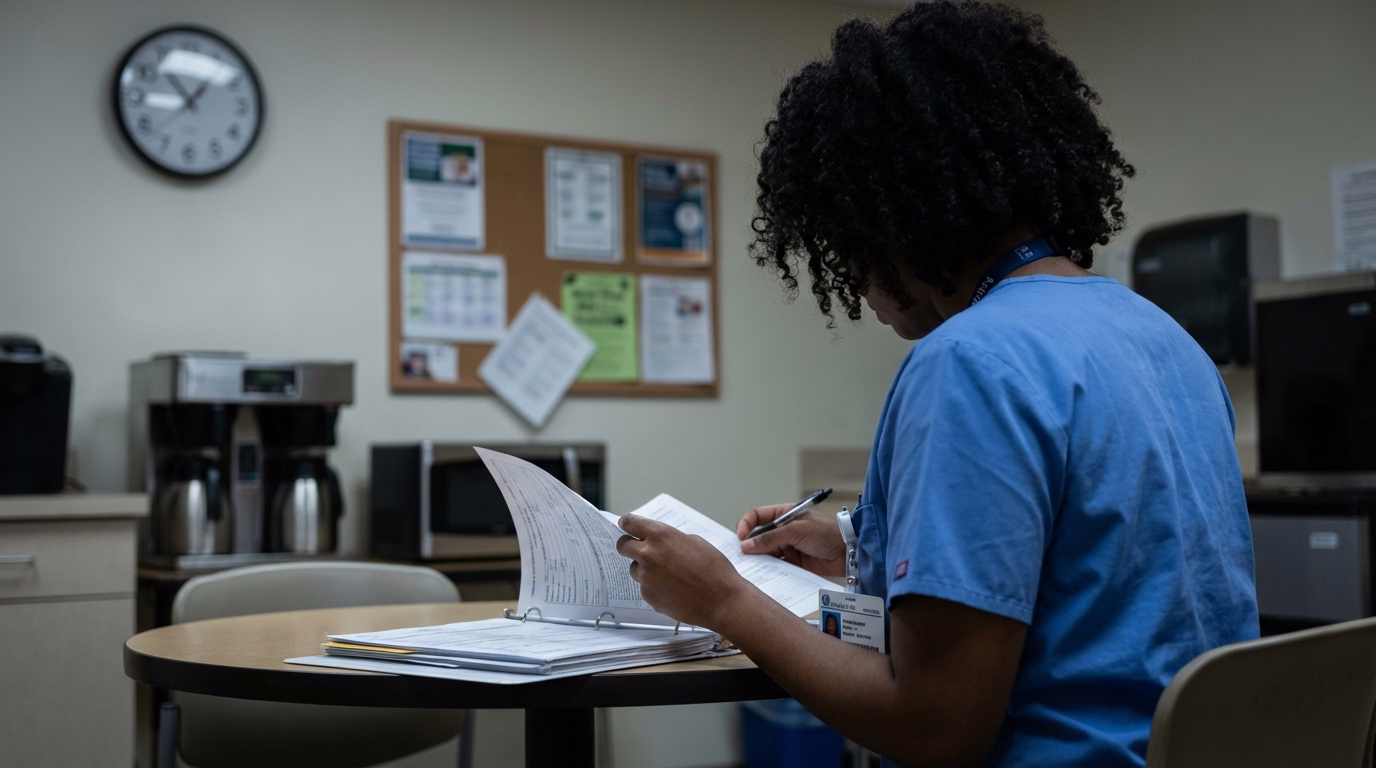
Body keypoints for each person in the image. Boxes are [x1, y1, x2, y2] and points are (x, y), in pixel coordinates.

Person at [614, 2, 1259, 766]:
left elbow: (933, 728)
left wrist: (725, 600)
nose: (851, 279)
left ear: (886, 215)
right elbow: (1099, 566)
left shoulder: (968, 361)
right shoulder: (1164, 338)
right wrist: (864, 547)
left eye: (843, 243)